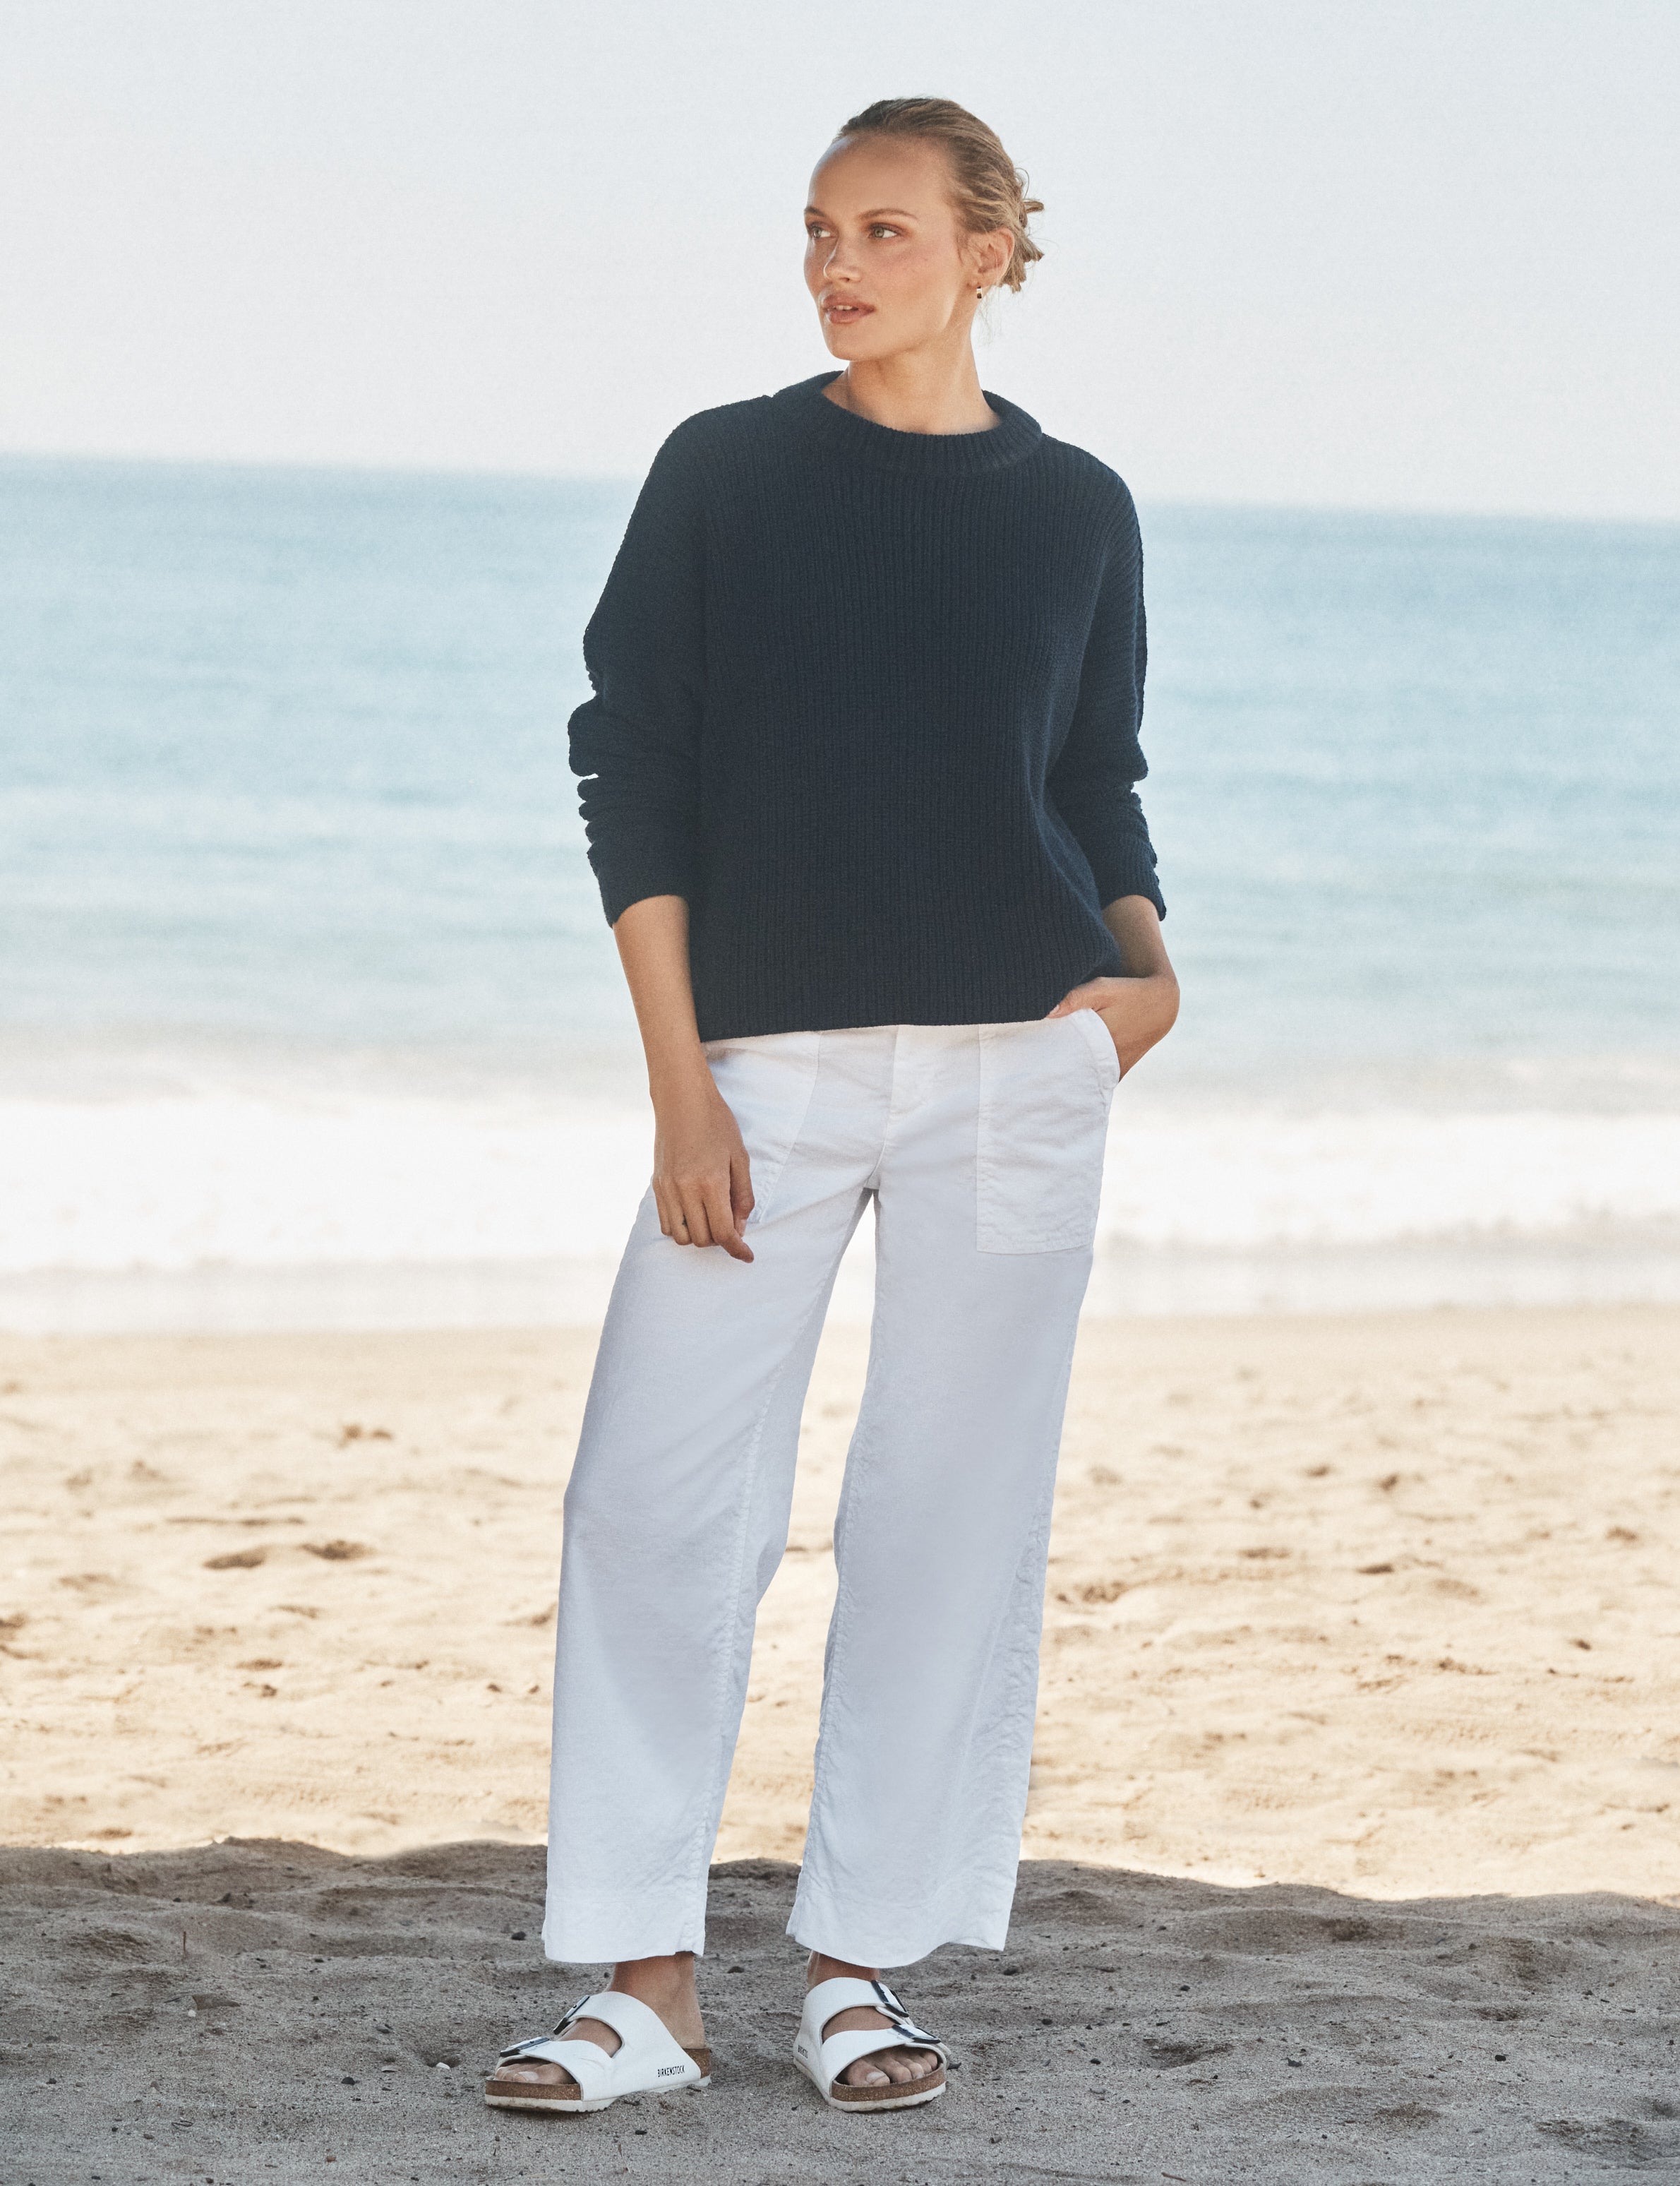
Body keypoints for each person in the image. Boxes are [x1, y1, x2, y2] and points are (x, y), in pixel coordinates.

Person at [485, 93, 1179, 2120]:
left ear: (987, 253)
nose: (836, 265)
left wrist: (1148, 973)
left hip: (1016, 1073)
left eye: (882, 229)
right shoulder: (726, 469)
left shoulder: (1079, 507)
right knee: (650, 1502)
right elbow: (630, 764)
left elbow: (1094, 775)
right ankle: (642, 1985)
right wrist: (679, 1086)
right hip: (760, 1075)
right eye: (816, 229)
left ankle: (858, 1965)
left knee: (947, 1511)